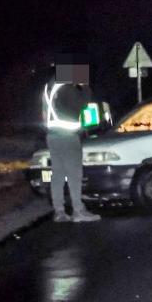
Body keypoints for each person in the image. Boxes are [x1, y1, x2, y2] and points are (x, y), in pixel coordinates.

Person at [43, 55, 100, 223]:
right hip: (67, 137)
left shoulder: (49, 87)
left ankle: (59, 211)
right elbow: (81, 105)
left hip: (52, 136)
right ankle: (78, 211)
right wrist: (85, 88)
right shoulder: (66, 87)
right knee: (74, 174)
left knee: (58, 174)